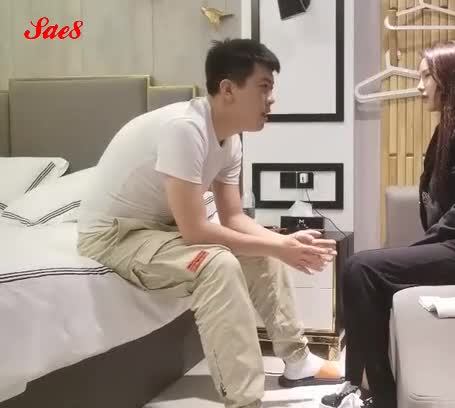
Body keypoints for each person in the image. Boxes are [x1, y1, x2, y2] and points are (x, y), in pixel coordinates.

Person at [76, 38, 345, 408]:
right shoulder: (185, 129)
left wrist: (283, 244)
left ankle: (297, 360)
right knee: (217, 265)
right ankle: (244, 400)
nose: (271, 100)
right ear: (228, 89)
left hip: (160, 228)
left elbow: (233, 217)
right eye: (264, 87)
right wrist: (278, 246)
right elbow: (196, 231)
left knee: (264, 246)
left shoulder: (230, 140)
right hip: (114, 235)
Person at [320, 40, 455, 408]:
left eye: (426, 76)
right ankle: (357, 384)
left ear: (449, 78)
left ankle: (381, 396)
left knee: (360, 267)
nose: (418, 86)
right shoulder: (448, 130)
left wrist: (420, 249)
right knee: (359, 269)